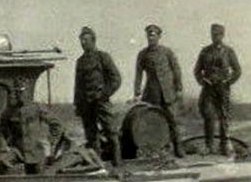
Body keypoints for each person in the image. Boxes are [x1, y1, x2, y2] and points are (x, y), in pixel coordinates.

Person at [133, 24, 185, 157]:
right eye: (149, 35)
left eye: (154, 35)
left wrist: (178, 88)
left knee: (173, 120)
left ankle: (178, 149)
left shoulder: (167, 52)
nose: (151, 37)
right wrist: (137, 92)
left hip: (168, 92)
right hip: (152, 93)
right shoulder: (143, 54)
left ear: (159, 37)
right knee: (154, 121)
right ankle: (156, 150)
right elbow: (138, 74)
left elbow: (176, 70)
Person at [74, 26, 122, 167]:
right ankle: (97, 165)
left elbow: (116, 79)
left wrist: (104, 94)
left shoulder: (103, 57)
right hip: (86, 104)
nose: (83, 43)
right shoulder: (80, 61)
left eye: (86, 40)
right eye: (81, 40)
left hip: (101, 102)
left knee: (111, 132)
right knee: (91, 135)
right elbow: (78, 85)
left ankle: (118, 163)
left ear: (93, 41)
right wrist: (78, 104)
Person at [194, 23, 243, 156]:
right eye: (213, 34)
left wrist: (228, 82)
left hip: (223, 89)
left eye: (218, 34)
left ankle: (224, 146)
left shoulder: (229, 51)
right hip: (208, 90)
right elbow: (197, 70)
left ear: (222, 35)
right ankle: (209, 146)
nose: (215, 37)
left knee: (224, 117)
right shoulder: (205, 51)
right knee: (209, 116)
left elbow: (237, 70)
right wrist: (202, 81)